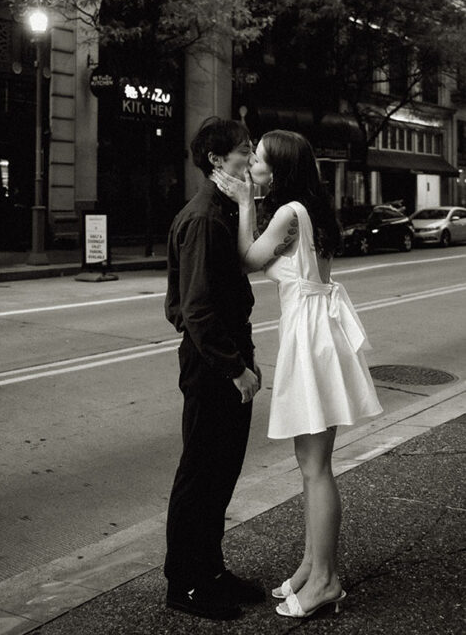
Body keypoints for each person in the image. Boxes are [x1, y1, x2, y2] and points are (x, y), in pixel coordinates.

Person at [212, 129, 382, 620]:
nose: (252, 165)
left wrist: (245, 203)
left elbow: (246, 259)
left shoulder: (289, 213)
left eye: (259, 159)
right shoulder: (311, 212)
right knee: (311, 465)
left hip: (311, 343)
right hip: (317, 337)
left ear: (278, 168)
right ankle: (312, 564)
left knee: (315, 468)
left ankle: (326, 581)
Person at [164, 116, 265, 621]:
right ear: (216, 160)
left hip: (225, 355)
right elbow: (196, 310)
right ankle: (184, 584)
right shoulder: (205, 217)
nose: (251, 156)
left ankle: (212, 570)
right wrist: (236, 369)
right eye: (245, 149)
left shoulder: (223, 210)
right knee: (200, 475)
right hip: (212, 365)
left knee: (221, 472)